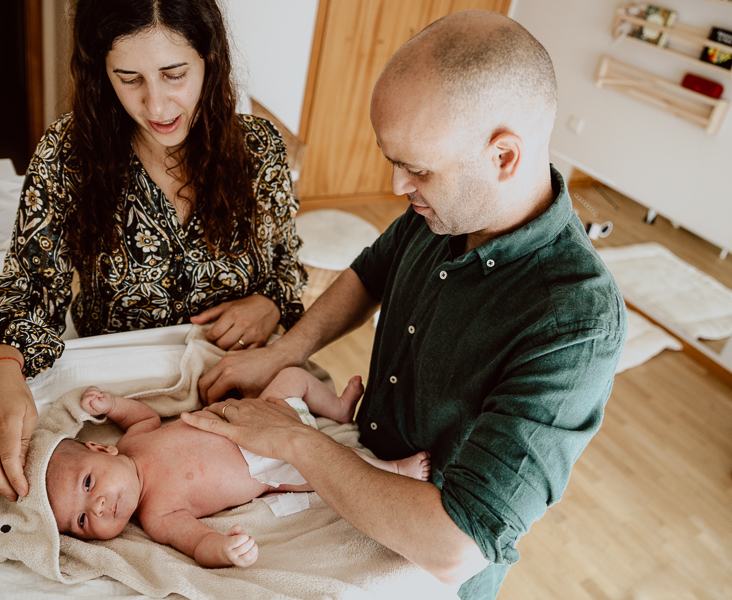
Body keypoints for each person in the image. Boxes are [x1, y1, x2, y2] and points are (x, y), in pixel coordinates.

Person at [186, 9, 626, 599]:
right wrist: (285, 351)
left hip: (421, 564)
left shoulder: (575, 322)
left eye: (416, 168)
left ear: (503, 157)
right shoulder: (446, 210)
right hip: (355, 470)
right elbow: (370, 273)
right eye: (394, 161)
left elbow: (456, 545)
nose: (397, 187)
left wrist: (294, 440)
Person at [0, 0, 308, 503]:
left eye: (174, 74)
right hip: (123, 391)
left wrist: (271, 302)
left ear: (210, 58)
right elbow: (31, 286)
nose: (158, 107)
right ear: (102, 73)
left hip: (235, 383)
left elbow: (288, 267)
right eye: (129, 79)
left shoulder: (261, 149)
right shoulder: (67, 155)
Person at [45, 368, 431, 568]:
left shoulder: (133, 439)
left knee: (292, 377)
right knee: (334, 464)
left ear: (101, 447)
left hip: (260, 414)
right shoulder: (157, 515)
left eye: (88, 483)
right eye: (80, 521)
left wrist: (110, 405)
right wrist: (225, 550)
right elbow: (197, 543)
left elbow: (141, 412)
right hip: (273, 464)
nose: (96, 507)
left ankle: (337, 407)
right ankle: (393, 469)